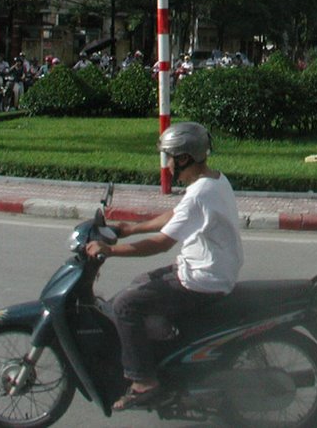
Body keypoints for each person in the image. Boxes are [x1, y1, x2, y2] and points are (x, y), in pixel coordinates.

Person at [85, 122, 244, 412]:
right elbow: (176, 214)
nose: (168, 164)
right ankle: (161, 347)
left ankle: (144, 383)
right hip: (205, 269)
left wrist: (110, 250)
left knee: (124, 305)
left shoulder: (199, 194)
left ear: (184, 158)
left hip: (203, 280)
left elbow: (161, 243)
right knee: (139, 284)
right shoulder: (214, 180)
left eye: (170, 157)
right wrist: (131, 228)